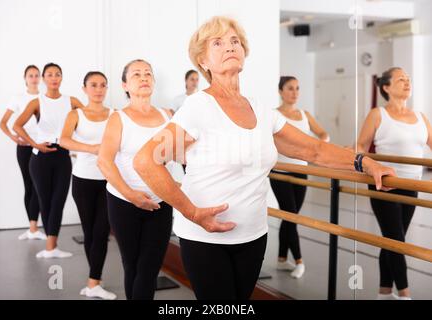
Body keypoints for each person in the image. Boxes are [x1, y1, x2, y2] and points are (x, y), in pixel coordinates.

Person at [133, 16, 396, 300]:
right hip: (206, 239)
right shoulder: (198, 107)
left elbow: (314, 150)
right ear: (203, 61)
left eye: (235, 41)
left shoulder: (261, 111)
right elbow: (146, 160)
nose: (229, 46)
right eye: (218, 43)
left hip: (254, 235)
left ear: (244, 52)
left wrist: (363, 162)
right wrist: (192, 212)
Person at [97, 59, 173, 300]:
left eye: (148, 73)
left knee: (149, 267)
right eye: (137, 74)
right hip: (123, 201)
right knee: (132, 265)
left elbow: (180, 154)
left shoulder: (167, 115)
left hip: (160, 201)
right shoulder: (118, 118)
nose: (143, 78)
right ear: (125, 85)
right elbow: (104, 161)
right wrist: (132, 196)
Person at [357, 67, 432, 300]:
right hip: (385, 185)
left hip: (413, 185)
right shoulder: (378, 114)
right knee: (397, 241)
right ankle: (405, 294)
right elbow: (360, 146)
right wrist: (369, 166)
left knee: (392, 240)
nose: (407, 82)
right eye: (401, 79)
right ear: (386, 87)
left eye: (408, 79)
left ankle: (384, 292)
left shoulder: (420, 117)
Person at [13, 62, 84, 259]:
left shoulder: (72, 101)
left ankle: (53, 246)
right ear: (44, 79)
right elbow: (17, 126)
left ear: (61, 78)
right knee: (45, 201)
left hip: (62, 155)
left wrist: (79, 144)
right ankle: (49, 246)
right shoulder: (37, 102)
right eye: (50, 74)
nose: (54, 77)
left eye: (57, 74)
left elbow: (89, 118)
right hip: (41, 157)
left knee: (58, 200)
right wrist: (34, 144)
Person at [60, 71, 116, 299]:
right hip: (82, 180)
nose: (99, 89)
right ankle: (95, 280)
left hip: (109, 180)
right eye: (94, 85)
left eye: (103, 85)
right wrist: (92, 148)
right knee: (90, 232)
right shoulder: (76, 114)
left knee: (102, 232)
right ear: (84, 89)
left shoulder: (115, 115)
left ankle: (93, 282)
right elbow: (64, 140)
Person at [271, 75, 330, 279]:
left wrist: (315, 146)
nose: (294, 92)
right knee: (292, 215)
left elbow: (323, 134)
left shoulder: (305, 114)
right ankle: (298, 261)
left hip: (302, 172)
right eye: (289, 88)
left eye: (297, 88)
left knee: (290, 216)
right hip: (280, 173)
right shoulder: (274, 115)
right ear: (280, 91)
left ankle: (280, 259)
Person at [0, 65, 46, 240]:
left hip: (41, 147)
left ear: (40, 78)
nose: (34, 78)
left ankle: (36, 228)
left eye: (36, 75)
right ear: (25, 78)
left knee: (39, 187)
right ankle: (32, 227)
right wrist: (14, 138)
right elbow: (3, 122)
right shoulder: (18, 98)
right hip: (25, 147)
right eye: (30, 75)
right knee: (29, 185)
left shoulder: (45, 97)